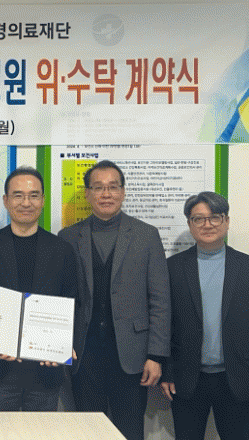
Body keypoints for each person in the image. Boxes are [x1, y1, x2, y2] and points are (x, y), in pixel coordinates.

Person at [58, 159, 170, 440]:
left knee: (130, 431)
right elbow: (61, 297)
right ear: (88, 194)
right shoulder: (68, 237)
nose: (106, 194)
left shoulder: (146, 235)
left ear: (123, 192)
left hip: (132, 356)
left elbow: (160, 300)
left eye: (113, 187)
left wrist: (156, 356)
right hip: (84, 355)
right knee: (87, 433)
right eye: (98, 188)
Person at [0, 166, 78, 411]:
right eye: (18, 195)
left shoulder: (62, 249)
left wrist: (61, 344)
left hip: (45, 368)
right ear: (6, 201)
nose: (26, 203)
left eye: (33, 195)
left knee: (41, 431)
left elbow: (73, 302)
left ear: (43, 200)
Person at [161, 192, 249, 440]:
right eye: (198, 219)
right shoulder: (172, 268)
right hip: (187, 378)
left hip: (238, 378)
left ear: (227, 221)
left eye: (215, 217)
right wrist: (167, 372)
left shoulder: (245, 267)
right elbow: (164, 324)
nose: (207, 224)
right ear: (190, 224)